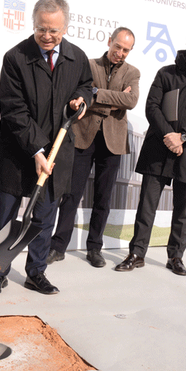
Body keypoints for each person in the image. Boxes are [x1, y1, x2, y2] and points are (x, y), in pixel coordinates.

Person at [0, 0, 93, 296]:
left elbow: (87, 85)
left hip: (58, 152)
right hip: (18, 152)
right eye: (41, 28)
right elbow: (14, 110)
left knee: (43, 218)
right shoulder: (15, 58)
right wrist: (36, 150)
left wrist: (82, 100)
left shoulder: (77, 57)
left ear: (65, 28)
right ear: (33, 24)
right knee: (6, 218)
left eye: (53, 30)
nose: (47, 36)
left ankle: (36, 272)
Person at [115, 27, 186, 276]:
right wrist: (169, 136)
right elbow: (151, 106)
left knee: (182, 210)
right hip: (158, 148)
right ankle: (137, 253)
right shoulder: (166, 73)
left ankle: (175, 256)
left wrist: (183, 137)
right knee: (146, 205)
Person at [47, 27, 140, 268]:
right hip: (83, 136)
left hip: (113, 142)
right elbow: (80, 94)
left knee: (103, 197)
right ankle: (58, 247)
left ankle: (94, 249)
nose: (120, 53)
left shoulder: (133, 73)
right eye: (117, 46)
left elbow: (131, 101)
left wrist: (96, 94)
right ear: (110, 42)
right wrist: (111, 99)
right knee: (70, 195)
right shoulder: (87, 65)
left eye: (126, 50)